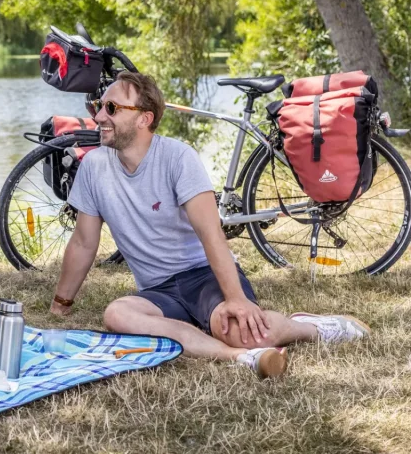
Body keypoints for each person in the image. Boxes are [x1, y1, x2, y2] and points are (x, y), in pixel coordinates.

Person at [49, 72, 368, 378]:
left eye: (112, 108)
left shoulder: (178, 158)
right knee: (116, 314)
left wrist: (236, 299)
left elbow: (210, 234)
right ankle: (241, 358)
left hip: (204, 277)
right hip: (158, 291)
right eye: (98, 106)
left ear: (144, 118)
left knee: (245, 331)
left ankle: (311, 328)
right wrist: (60, 305)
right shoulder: (93, 166)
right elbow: (83, 242)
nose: (99, 116)